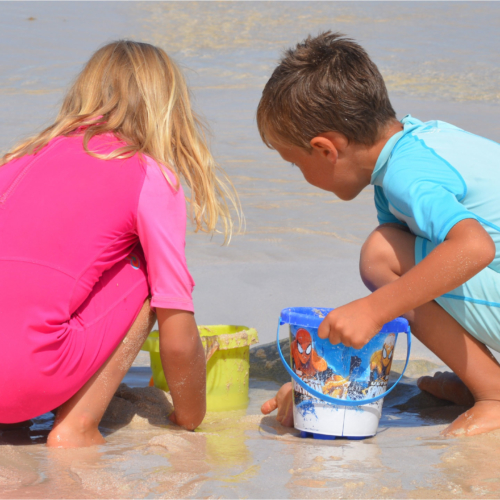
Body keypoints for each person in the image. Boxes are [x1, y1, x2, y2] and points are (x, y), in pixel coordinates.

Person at [257, 31, 500, 437]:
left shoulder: (406, 175)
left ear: (325, 149)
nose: (301, 176)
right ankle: (479, 375)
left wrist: (373, 310)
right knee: (398, 250)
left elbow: (475, 247)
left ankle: (492, 393)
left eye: (295, 163)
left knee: (380, 256)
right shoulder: (422, 141)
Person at [0, 41, 239, 447]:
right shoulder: (149, 174)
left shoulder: (16, 159)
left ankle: (12, 423)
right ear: (167, 110)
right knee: (150, 274)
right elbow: (176, 329)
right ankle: (77, 426)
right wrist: (191, 415)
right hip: (27, 380)